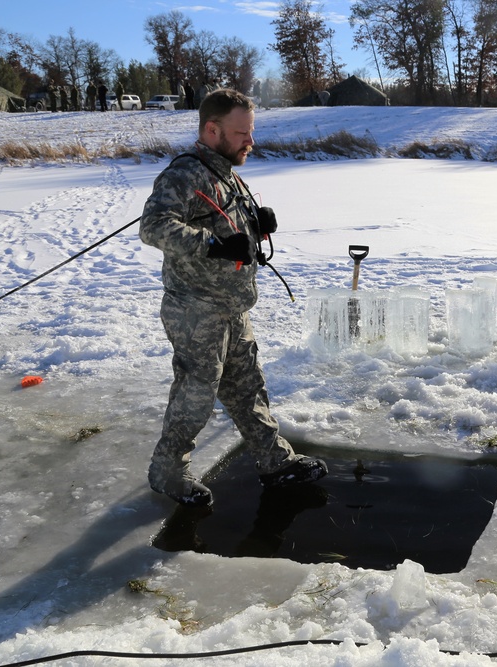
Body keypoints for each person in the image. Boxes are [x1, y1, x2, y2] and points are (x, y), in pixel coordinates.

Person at [139, 88, 328, 507]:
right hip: (195, 308)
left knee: (247, 389)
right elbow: (153, 227)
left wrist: (257, 225)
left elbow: (229, 226)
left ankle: (274, 461)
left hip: (231, 306)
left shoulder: (227, 174)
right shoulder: (184, 175)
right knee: (196, 393)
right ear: (212, 129)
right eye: (242, 133)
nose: (251, 141)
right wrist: (212, 245)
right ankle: (167, 472)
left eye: (251, 132)